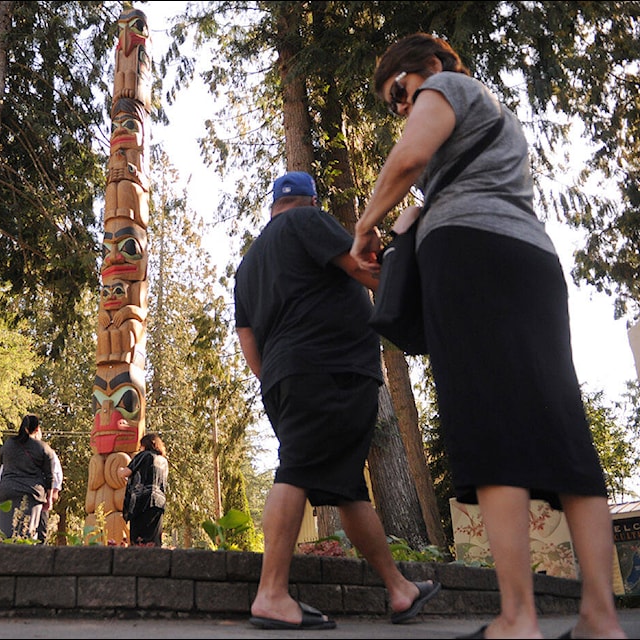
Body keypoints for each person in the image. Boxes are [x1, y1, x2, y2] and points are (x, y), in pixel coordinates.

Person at [350, 33, 626, 640]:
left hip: (473, 258)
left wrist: (364, 227)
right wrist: (402, 223)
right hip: (531, 260)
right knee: (561, 427)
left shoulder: (447, 85)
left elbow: (407, 159)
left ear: (425, 68)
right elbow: (429, 182)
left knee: (491, 422)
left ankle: (517, 619)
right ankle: (601, 620)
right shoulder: (496, 120)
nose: (401, 109)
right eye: (393, 105)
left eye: (399, 93)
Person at [235, 171, 440, 630]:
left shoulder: (249, 263)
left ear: (274, 206)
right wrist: (416, 292)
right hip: (329, 370)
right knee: (296, 470)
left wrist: (276, 377)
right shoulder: (308, 223)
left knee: (347, 488)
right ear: (309, 201)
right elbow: (362, 268)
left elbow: (246, 336)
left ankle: (399, 590)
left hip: (290, 379)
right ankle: (270, 594)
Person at [0, 414, 56, 539]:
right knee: (27, 534)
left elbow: (2, 463)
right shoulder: (43, 448)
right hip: (32, 494)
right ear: (37, 428)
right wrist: (49, 498)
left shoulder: (8, 444)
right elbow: (49, 476)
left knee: (6, 536)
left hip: (8, 491)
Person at [119, 432, 168, 547]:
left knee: (138, 539)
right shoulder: (163, 461)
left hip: (142, 502)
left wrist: (119, 470)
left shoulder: (144, 455)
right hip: (159, 503)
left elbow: (126, 472)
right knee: (154, 539)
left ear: (145, 445)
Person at [35, 447, 63, 544]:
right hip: (21, 498)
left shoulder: (45, 451)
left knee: (40, 536)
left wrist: (50, 496)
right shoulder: (14, 450)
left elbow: (56, 475)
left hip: (40, 498)